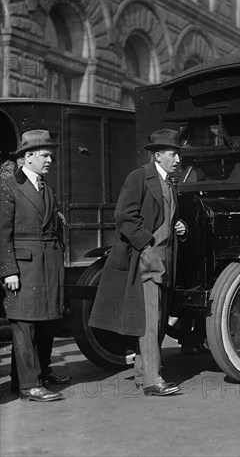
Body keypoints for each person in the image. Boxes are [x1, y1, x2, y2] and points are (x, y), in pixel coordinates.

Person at [88, 129, 188, 397]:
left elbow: (162, 217)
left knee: (157, 319)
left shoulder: (169, 184)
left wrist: (176, 225)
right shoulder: (140, 177)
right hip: (147, 260)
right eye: (172, 153)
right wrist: (147, 244)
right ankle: (153, 380)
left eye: (178, 153)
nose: (177, 159)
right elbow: (125, 216)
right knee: (150, 320)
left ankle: (144, 374)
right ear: (157, 155)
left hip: (164, 261)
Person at [0, 130, 69, 402]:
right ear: (27, 157)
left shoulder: (46, 187)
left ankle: (32, 376)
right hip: (24, 267)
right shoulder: (9, 188)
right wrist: (9, 271)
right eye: (44, 155)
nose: (50, 159)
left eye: (51, 154)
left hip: (48, 265)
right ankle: (29, 385)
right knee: (24, 324)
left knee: (44, 322)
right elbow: (2, 233)